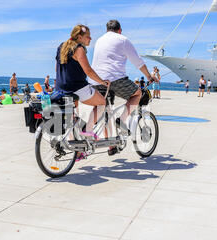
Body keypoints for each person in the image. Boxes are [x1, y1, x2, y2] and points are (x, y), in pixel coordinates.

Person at [89, 19, 155, 149]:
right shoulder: (122, 39)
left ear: (107, 30)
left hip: (96, 80)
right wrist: (149, 76)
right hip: (115, 79)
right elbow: (138, 62)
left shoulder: (99, 40)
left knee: (105, 109)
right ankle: (122, 120)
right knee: (137, 94)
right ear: (120, 30)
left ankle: (110, 146)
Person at [55, 24, 110, 161]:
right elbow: (88, 71)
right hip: (78, 87)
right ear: (79, 37)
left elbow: (57, 67)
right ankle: (88, 129)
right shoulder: (79, 49)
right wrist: (103, 82)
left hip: (61, 88)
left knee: (71, 117)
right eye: (88, 36)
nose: (90, 39)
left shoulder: (62, 46)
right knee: (102, 103)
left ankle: (77, 150)